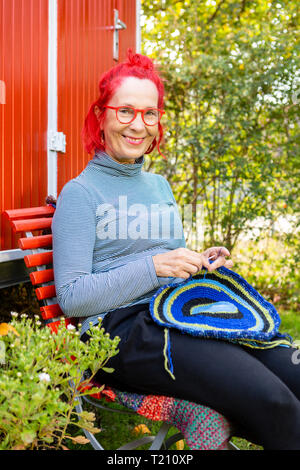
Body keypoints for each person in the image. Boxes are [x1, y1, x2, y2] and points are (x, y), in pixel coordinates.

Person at [52, 50, 300, 450]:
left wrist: (198, 262)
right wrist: (154, 267)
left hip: (177, 312)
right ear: (101, 115)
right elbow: (74, 298)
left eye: (150, 114)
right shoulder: (79, 194)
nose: (139, 125)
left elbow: (168, 260)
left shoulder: (159, 187)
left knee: (292, 378)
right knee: (273, 401)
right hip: (121, 333)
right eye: (126, 111)